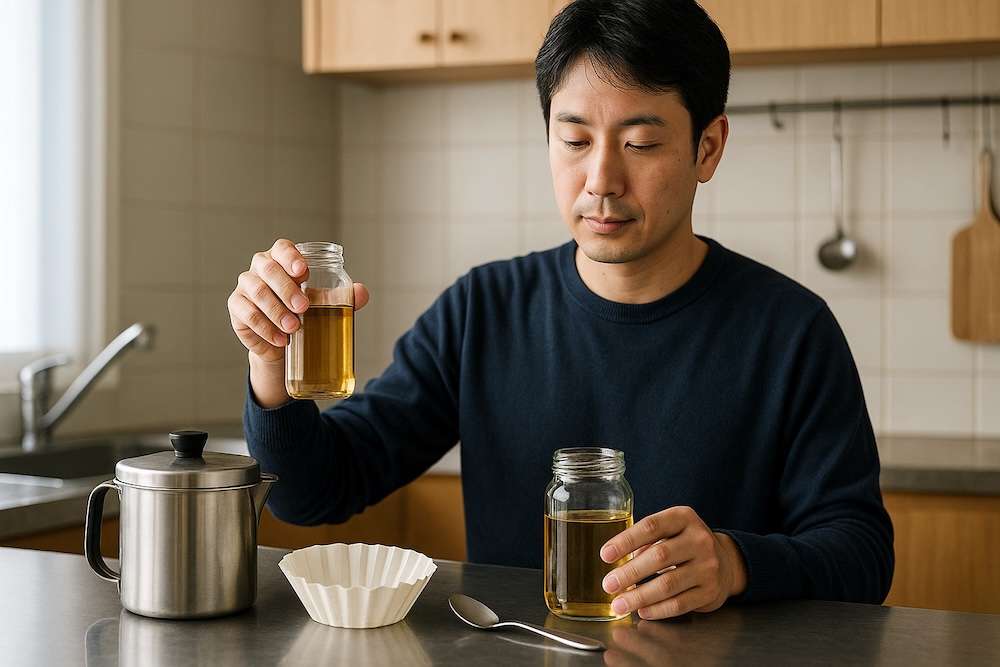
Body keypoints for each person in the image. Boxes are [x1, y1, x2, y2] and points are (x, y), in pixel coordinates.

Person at [229, 0, 893, 621]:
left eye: (640, 144)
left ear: (708, 148)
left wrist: (737, 561)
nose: (601, 180)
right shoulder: (481, 311)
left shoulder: (791, 331)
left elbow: (863, 552)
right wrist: (269, 365)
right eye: (574, 141)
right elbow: (314, 490)